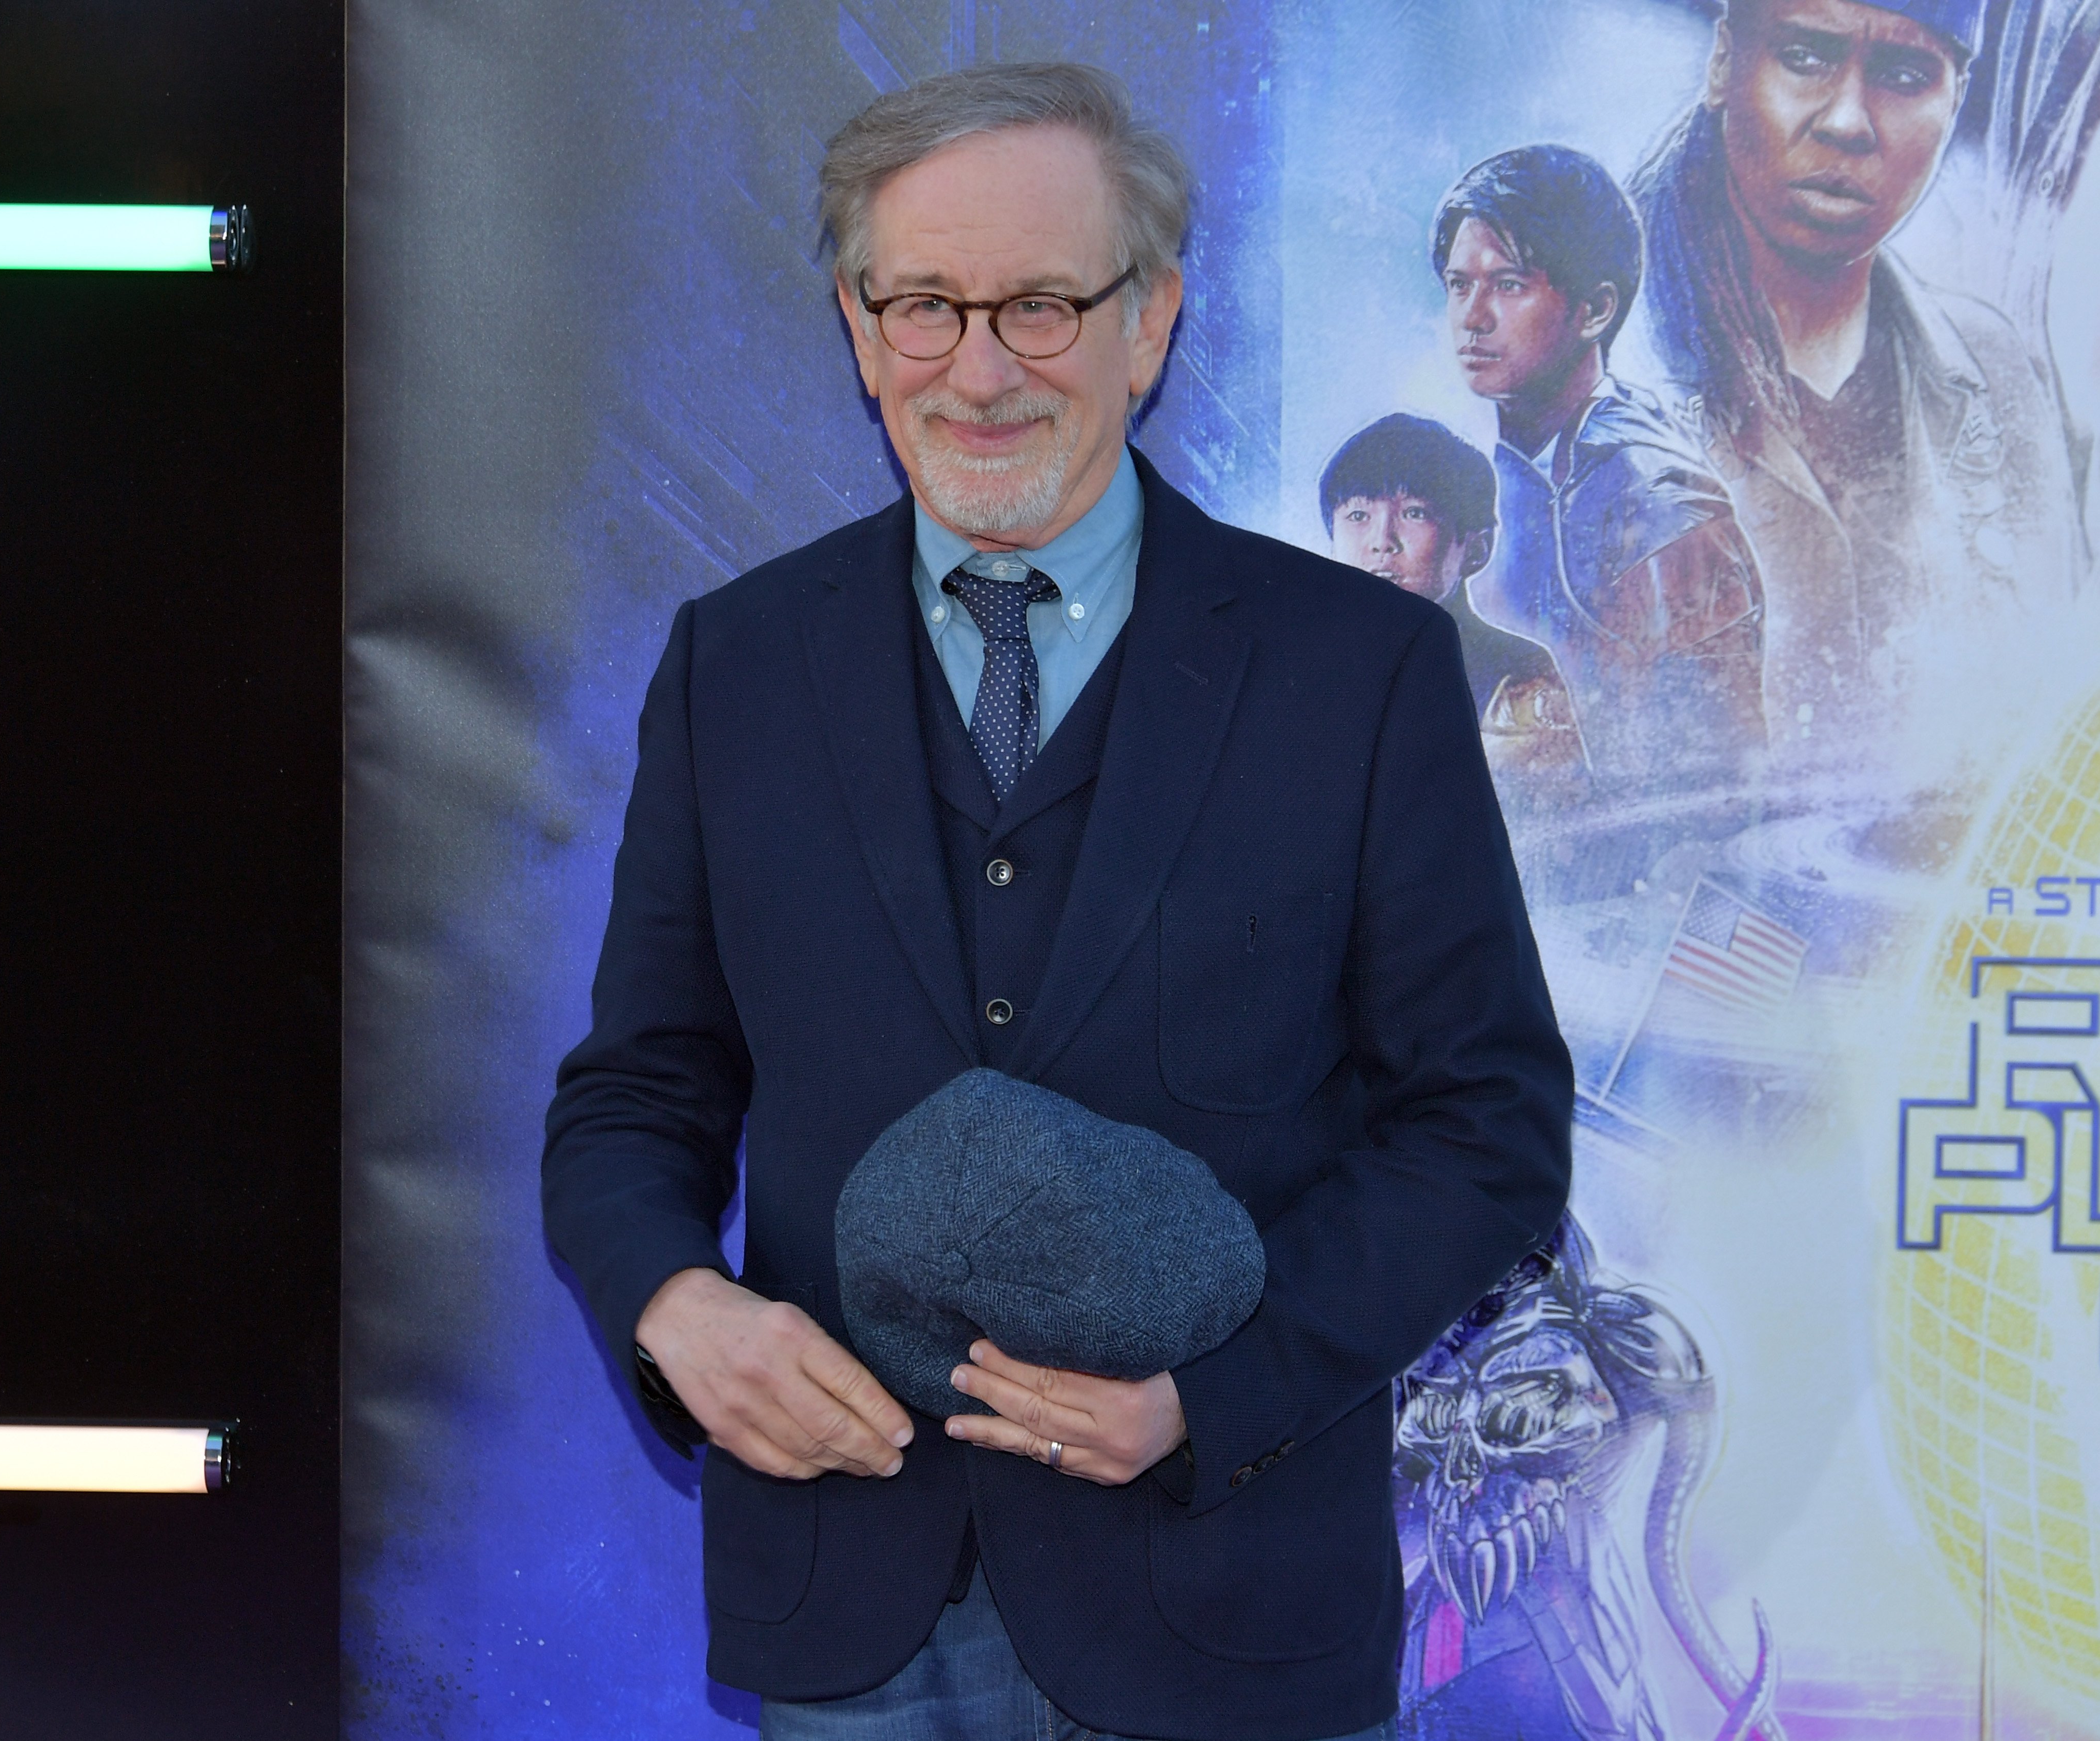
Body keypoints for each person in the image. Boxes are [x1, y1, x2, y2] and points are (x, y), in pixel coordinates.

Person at [541, 62, 1573, 1741]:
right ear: (858, 328)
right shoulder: (733, 665)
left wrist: (1212, 1394)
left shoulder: (1359, 671)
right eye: (924, 306)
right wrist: (676, 1304)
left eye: (1039, 303)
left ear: (1149, 322)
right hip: (848, 1613)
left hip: (1233, 1605)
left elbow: (1486, 1123)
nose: (979, 367)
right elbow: (634, 1093)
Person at [1628, 0, 2082, 767]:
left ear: (1953, 100)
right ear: (1721, 64)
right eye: (1804, 57)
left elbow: (2054, 717)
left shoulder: (1990, 370)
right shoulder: (1592, 351)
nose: (1847, 120)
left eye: (1904, 76)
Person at [1434, 145, 1767, 843]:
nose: (1471, 316)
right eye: (1457, 285)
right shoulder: (1485, 464)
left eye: (1509, 285)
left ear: (1594, 310)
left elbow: (1717, 797)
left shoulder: (1661, 510)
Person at [1319, 413, 1562, 725]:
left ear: (1476, 549)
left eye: (1414, 513)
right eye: (1357, 516)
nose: (1382, 542)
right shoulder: (1304, 665)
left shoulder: (1520, 671)